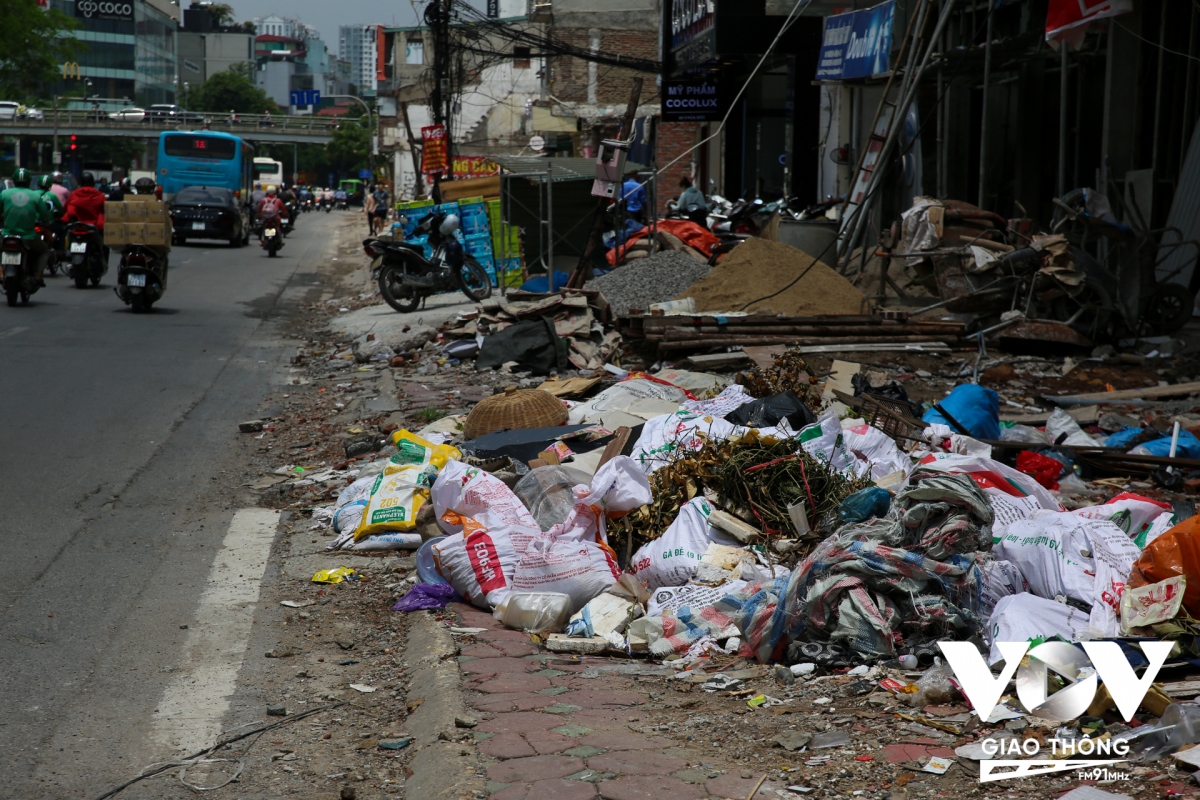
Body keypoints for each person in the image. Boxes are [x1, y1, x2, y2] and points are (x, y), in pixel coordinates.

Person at [1, 169, 52, 284]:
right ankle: (39, 276)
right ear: (29, 181)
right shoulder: (34, 196)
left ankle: (1, 272)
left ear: (14, 180)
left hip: (6, 235)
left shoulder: (4, 194)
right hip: (28, 236)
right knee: (45, 251)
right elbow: (45, 215)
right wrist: (47, 223)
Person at [64, 170, 108, 264]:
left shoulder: (74, 194)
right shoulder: (99, 195)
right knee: (104, 243)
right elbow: (106, 209)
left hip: (75, 226)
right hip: (94, 227)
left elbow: (65, 208)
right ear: (92, 182)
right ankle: (104, 261)